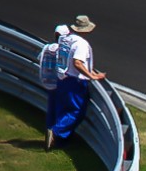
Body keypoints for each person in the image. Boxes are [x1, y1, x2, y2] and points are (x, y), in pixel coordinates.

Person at [44, 15, 104, 150]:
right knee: (77, 111)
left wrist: (92, 72)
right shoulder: (82, 44)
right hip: (75, 81)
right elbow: (77, 62)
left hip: (62, 78)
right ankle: (56, 132)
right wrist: (91, 76)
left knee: (63, 108)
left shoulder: (65, 39)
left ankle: (59, 141)